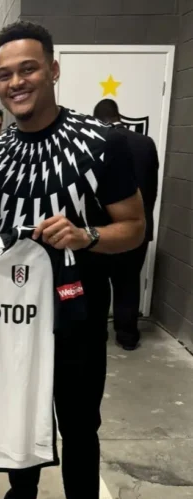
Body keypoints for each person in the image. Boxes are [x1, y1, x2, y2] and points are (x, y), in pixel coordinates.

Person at [0, 21, 145, 499]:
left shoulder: (105, 144)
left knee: (79, 424)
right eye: (6, 74)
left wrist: (88, 236)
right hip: (11, 320)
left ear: (53, 69)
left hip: (75, 313)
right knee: (18, 418)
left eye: (28, 68)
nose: (17, 81)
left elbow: (135, 228)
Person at [93, 99, 159, 350]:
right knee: (128, 282)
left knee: (99, 284)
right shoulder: (146, 143)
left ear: (98, 119)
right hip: (138, 230)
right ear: (119, 115)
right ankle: (127, 335)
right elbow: (151, 188)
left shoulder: (98, 142)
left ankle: (98, 332)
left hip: (106, 232)